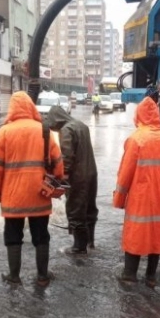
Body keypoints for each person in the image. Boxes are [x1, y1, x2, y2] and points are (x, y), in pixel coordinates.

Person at [0, 91, 64, 287]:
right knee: (41, 235)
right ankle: (42, 276)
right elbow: (58, 164)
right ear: (31, 107)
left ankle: (14, 276)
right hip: (40, 195)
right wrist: (57, 183)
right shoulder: (44, 130)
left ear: (12, 109)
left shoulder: (4, 132)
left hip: (14, 198)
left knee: (13, 236)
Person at [112, 96, 160, 288]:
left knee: (136, 232)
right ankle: (151, 276)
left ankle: (129, 275)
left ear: (138, 115)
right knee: (157, 234)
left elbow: (125, 174)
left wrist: (119, 199)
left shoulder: (136, 139)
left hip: (140, 198)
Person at [43, 105, 98, 254]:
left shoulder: (66, 130)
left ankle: (79, 247)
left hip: (78, 177)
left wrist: (62, 177)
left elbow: (66, 156)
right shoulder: (82, 126)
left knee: (75, 210)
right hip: (91, 173)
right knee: (89, 208)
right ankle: (90, 242)